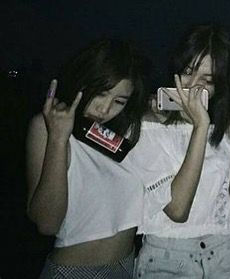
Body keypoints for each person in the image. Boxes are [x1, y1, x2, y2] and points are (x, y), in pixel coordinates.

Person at [26, 39, 149, 278]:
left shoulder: (127, 132)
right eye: (101, 93)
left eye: (119, 101)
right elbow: (47, 223)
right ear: (83, 82)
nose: (105, 109)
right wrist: (59, 139)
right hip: (75, 271)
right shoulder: (48, 126)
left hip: (127, 266)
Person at [132, 24, 230, 278]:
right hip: (169, 256)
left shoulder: (228, 128)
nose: (193, 86)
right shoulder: (149, 127)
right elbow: (177, 209)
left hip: (226, 254)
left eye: (208, 80)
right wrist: (200, 127)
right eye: (188, 72)